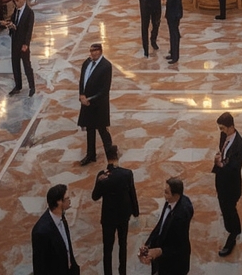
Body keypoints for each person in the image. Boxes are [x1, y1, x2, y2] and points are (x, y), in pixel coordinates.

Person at [92, 146, 139, 275]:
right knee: (122, 245)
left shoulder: (102, 175)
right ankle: (122, 272)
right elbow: (132, 193)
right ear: (117, 155)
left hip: (108, 217)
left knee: (107, 248)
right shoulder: (127, 173)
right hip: (123, 215)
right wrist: (135, 211)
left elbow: (95, 196)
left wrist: (99, 182)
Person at [140, 177, 193, 275]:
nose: (164, 196)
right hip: (162, 260)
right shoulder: (170, 201)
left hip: (175, 262)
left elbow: (178, 244)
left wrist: (159, 251)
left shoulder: (182, 215)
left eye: (167, 192)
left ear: (176, 195)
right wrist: (148, 244)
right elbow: (161, 225)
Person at [212, 111, 242, 256]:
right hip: (222, 183)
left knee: (229, 211)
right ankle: (236, 228)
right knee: (228, 209)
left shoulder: (239, 145)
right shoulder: (224, 136)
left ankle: (232, 235)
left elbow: (234, 168)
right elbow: (222, 149)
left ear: (231, 126)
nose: (221, 131)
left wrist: (220, 164)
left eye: (222, 128)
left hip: (231, 186)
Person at [78, 42, 114, 164]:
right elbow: (82, 80)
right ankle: (90, 155)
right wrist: (81, 94)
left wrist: (90, 99)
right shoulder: (86, 63)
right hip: (86, 102)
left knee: (102, 130)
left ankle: (111, 156)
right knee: (90, 129)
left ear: (100, 51)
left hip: (99, 105)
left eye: (95, 51)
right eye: (91, 51)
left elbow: (105, 89)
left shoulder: (106, 66)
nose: (92, 53)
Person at [32, 184, 80, 275]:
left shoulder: (62, 217)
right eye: (66, 199)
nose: (69, 201)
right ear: (58, 202)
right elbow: (40, 266)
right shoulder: (41, 231)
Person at [3, 0, 36, 96]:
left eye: (17, 0)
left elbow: (29, 30)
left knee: (26, 65)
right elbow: (14, 22)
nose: (15, 1)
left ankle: (32, 86)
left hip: (23, 44)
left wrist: (26, 44)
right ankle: (18, 86)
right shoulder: (16, 10)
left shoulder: (29, 13)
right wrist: (11, 26)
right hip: (15, 42)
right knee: (15, 64)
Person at [164, 0, 183, 64]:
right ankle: (173, 53)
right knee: (174, 34)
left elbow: (169, 2)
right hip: (178, 13)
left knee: (174, 34)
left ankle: (175, 56)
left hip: (172, 14)